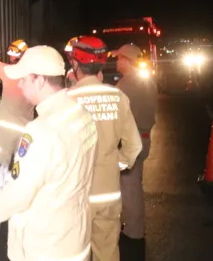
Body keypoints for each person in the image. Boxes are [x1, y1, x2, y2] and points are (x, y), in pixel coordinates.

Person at [0, 45, 98, 261]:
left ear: (41, 80)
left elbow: (21, 194)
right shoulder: (81, 115)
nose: (20, 85)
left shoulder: (41, 131)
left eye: (24, 79)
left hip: (46, 247)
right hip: (76, 238)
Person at [65, 36, 143, 261]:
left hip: (77, 196)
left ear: (76, 65)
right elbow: (134, 147)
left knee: (76, 254)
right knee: (107, 253)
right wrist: (114, 164)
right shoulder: (117, 96)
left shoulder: (67, 100)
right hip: (108, 194)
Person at [114, 44, 158, 255]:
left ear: (127, 61)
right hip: (144, 138)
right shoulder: (146, 80)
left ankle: (133, 233)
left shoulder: (127, 85)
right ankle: (133, 227)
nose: (116, 62)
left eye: (119, 58)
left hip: (133, 140)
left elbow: (119, 115)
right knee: (133, 185)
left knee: (129, 188)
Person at [0, 39, 35, 178]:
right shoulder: (33, 75)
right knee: (23, 164)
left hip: (6, 130)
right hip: (25, 130)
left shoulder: (8, 71)